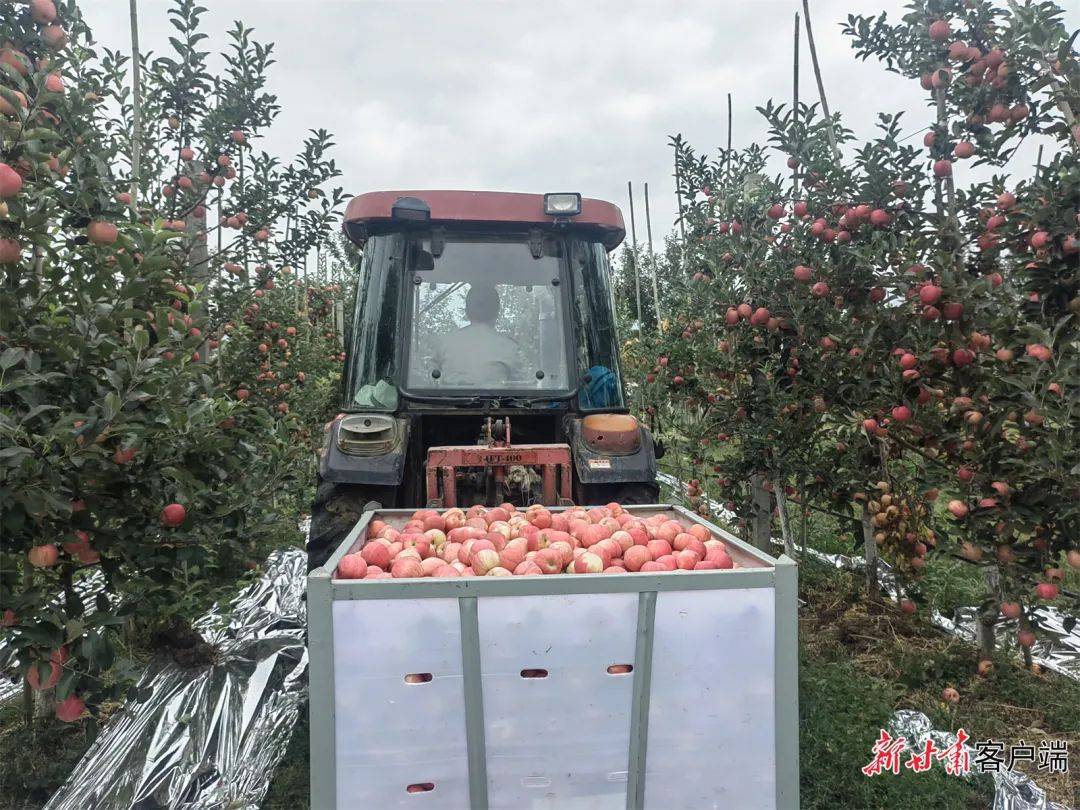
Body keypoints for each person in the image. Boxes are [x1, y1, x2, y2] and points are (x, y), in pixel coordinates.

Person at [439, 284, 518, 383]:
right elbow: (522, 386)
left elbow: (431, 380)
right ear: (497, 312)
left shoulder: (445, 343)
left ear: (467, 312)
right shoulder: (509, 346)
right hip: (495, 399)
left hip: (445, 398)